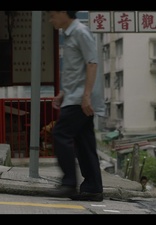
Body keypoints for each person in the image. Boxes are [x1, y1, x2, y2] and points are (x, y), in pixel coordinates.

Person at [48, 11, 105, 202]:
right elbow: (76, 69)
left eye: (52, 15)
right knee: (84, 143)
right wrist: (64, 92)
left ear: (63, 13)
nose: (51, 20)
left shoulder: (80, 31)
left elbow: (92, 63)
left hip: (81, 98)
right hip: (75, 96)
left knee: (61, 134)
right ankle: (92, 188)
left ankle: (69, 182)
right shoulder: (69, 34)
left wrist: (86, 96)